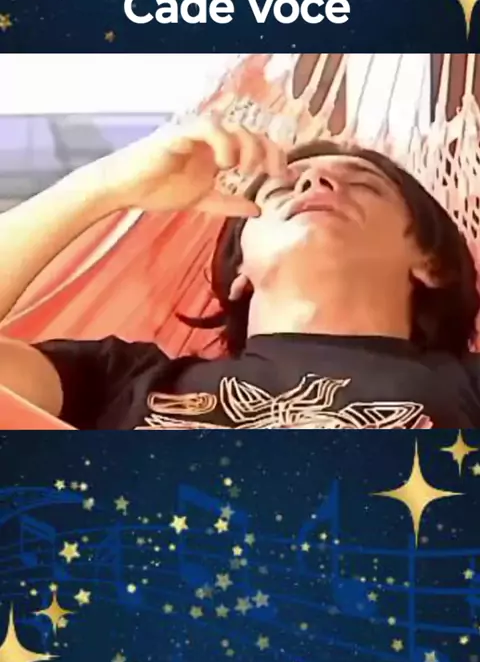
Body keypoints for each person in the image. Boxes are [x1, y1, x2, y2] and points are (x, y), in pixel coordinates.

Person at [0, 115, 480, 430]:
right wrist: (106, 186)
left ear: (431, 263)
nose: (314, 182)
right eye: (280, 189)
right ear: (240, 270)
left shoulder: (467, 386)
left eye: (363, 185)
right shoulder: (121, 380)